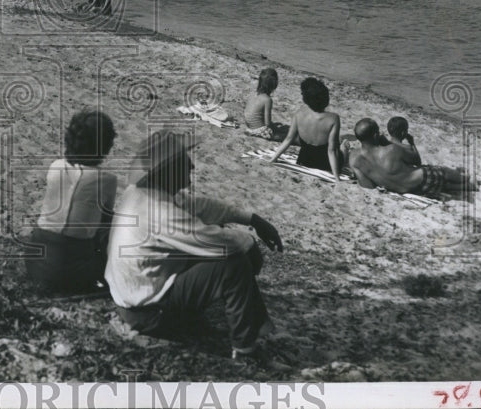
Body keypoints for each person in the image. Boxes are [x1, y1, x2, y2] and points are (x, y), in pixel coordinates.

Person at [104, 131, 283, 360]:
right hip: (148, 313)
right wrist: (248, 241)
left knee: (224, 249)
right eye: (183, 160)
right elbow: (222, 244)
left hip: (135, 298)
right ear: (167, 170)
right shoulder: (159, 212)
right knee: (234, 263)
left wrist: (252, 219)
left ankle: (251, 325)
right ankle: (245, 350)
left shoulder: (142, 193)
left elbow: (200, 206)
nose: (191, 165)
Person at [25, 110, 118, 294]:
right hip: (70, 271)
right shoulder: (107, 180)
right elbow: (105, 221)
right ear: (106, 146)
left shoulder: (55, 166)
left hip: (36, 261)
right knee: (110, 229)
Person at [346, 119, 478, 198]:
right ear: (376, 135)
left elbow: (367, 186)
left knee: (442, 184)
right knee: (442, 171)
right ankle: (465, 179)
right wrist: (390, 142)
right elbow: (416, 161)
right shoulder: (392, 150)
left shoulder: (354, 159)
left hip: (410, 190)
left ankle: (467, 186)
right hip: (422, 181)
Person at [269, 77, 342, 179]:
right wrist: (336, 178)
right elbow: (332, 151)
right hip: (324, 165)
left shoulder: (298, 114)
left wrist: (273, 159)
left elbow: (288, 140)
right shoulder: (334, 119)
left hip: (304, 161)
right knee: (342, 148)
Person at [243, 68, 286, 141]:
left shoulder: (253, 94)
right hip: (258, 130)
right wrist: (277, 129)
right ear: (274, 85)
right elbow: (267, 123)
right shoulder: (267, 100)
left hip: (248, 128)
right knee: (286, 137)